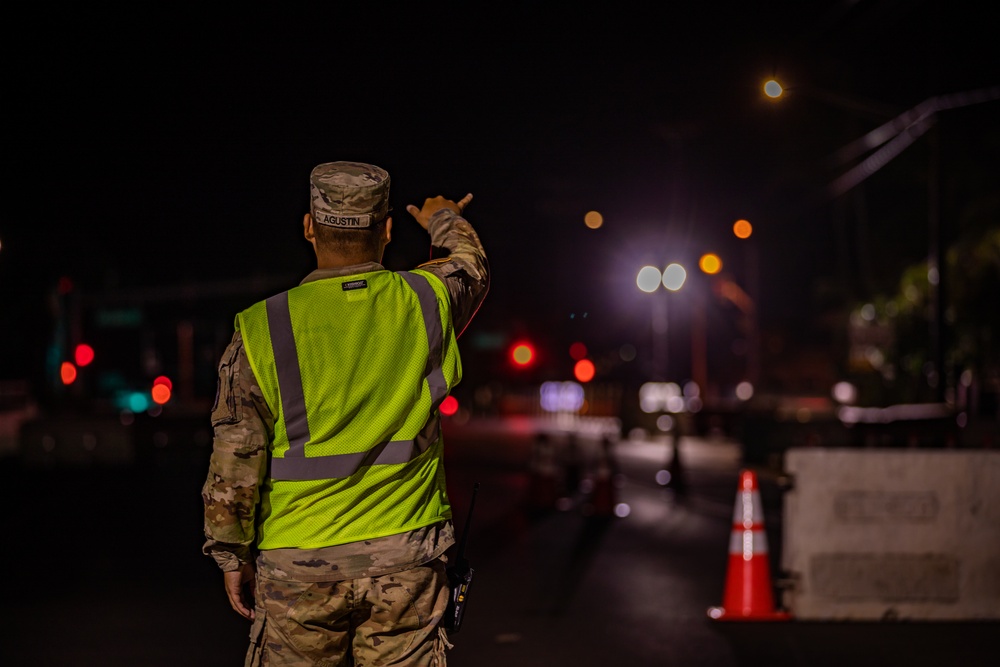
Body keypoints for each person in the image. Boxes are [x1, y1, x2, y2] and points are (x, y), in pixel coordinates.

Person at [202, 161, 489, 666]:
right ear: (388, 230)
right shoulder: (427, 300)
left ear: (309, 226)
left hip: (298, 568)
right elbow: (470, 264)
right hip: (408, 560)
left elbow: (235, 461)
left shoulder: (261, 328)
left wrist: (232, 554)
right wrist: (444, 219)